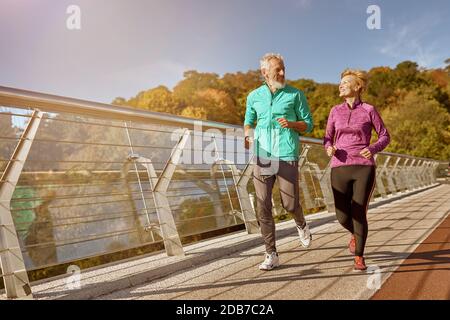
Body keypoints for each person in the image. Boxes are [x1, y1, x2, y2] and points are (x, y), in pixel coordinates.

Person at [244, 53, 314, 271]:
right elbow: (248, 122)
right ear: (265, 72)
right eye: (277, 69)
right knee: (262, 203)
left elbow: (309, 124)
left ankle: (301, 224)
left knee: (290, 204)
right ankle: (271, 253)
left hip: (286, 153)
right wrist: (248, 136)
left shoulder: (295, 94)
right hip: (263, 155)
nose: (282, 73)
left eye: (283, 68)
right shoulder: (254, 96)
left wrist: (293, 124)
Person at [323, 69, 390, 271]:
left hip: (363, 168)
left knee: (359, 213)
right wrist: (328, 147)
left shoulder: (369, 109)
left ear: (357, 86)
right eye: (340, 82)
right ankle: (355, 234)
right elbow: (327, 137)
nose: (340, 85)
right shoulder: (335, 111)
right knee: (342, 216)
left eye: (345, 82)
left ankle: (359, 256)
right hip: (339, 167)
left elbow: (385, 136)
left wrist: (372, 149)